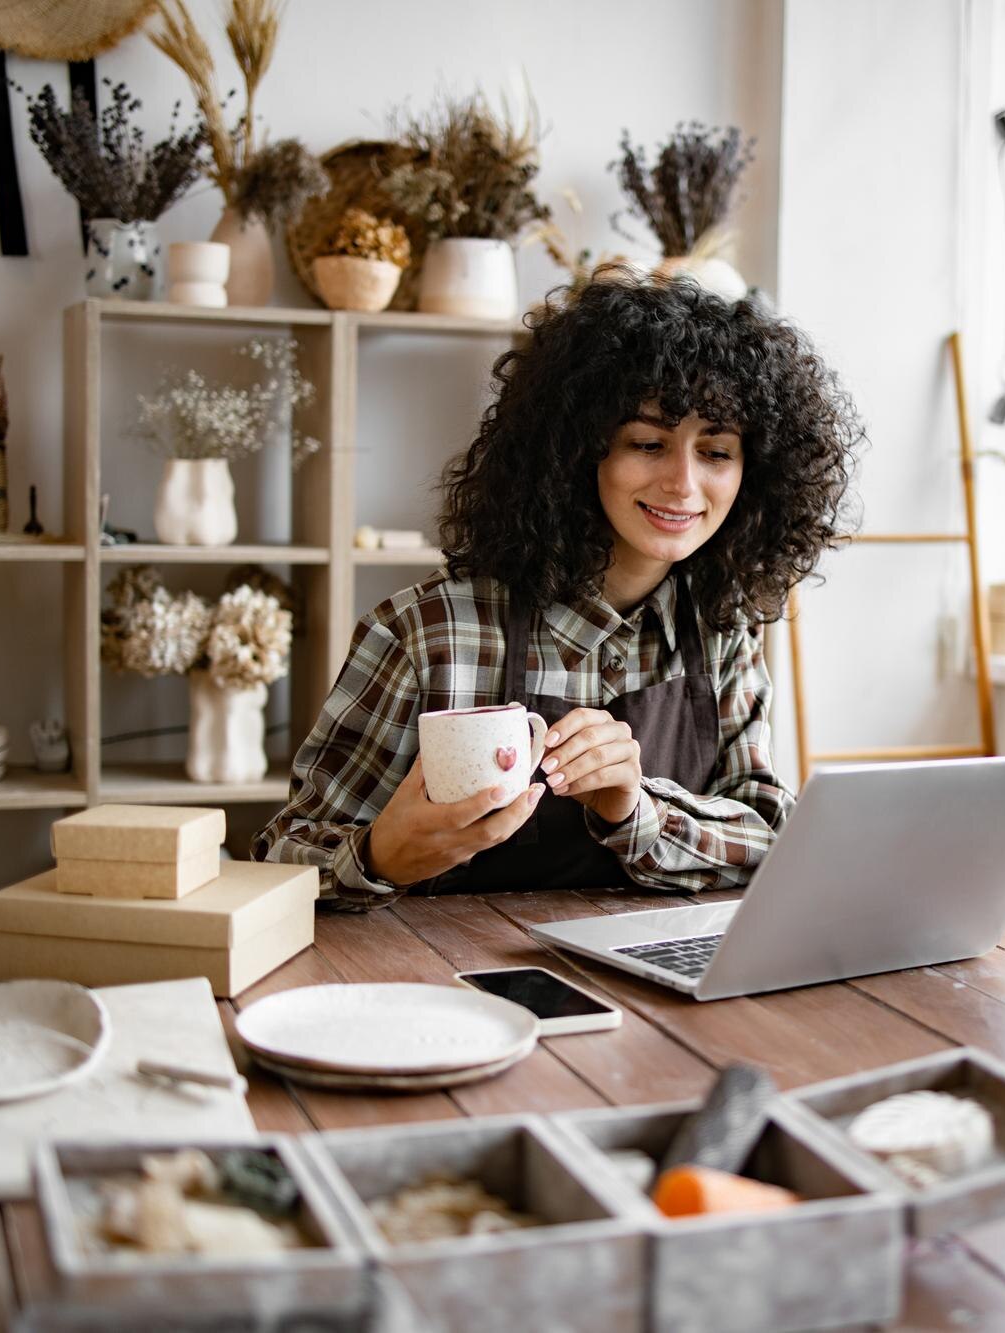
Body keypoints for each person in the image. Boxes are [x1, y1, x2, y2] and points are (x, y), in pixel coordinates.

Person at [253, 273, 861, 908]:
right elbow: (281, 857)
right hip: (450, 985)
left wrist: (636, 811)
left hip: (656, 985)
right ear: (576, 451)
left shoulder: (721, 636)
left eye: (716, 453)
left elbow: (767, 837)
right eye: (648, 443)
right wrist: (378, 856)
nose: (684, 485)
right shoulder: (426, 632)